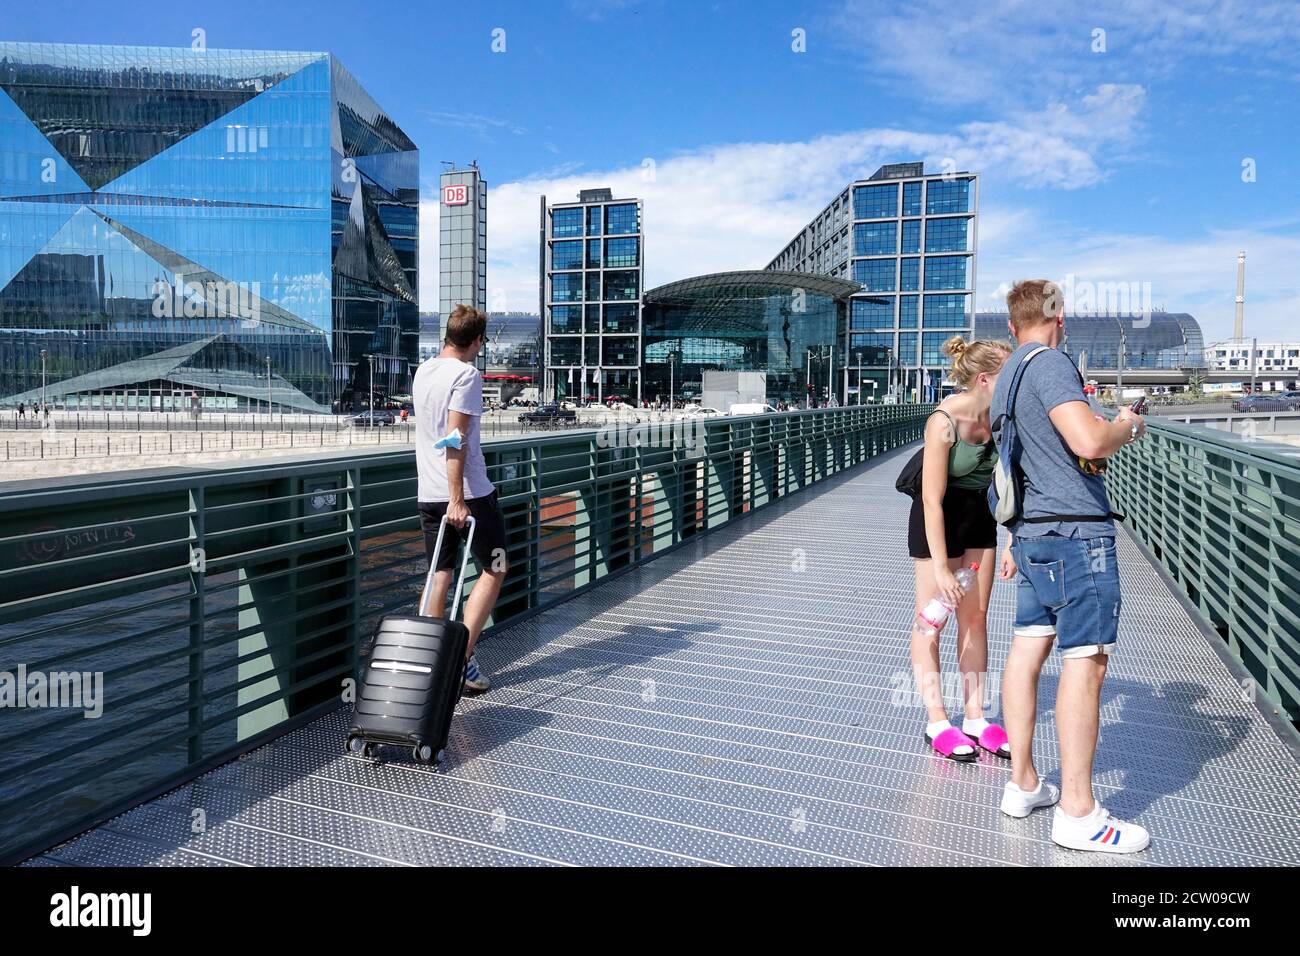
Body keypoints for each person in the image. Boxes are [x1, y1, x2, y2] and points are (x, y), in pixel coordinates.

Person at [992, 279, 1149, 852]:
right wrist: (1127, 425)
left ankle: (1023, 783)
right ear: (1060, 318)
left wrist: (1013, 538)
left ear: (1012, 325)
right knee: (1086, 662)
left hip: (1031, 534)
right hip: (1076, 535)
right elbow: (1089, 442)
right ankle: (1080, 815)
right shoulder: (1053, 364)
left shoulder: (1007, 375)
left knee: (1028, 648)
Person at [909, 336, 1014, 761]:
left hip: (980, 516)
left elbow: (1014, 482)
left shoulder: (1004, 417)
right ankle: (937, 720)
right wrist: (941, 567)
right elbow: (931, 499)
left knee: (975, 617)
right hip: (939, 518)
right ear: (985, 379)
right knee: (930, 622)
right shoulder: (944, 421)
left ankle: (975, 717)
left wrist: (1012, 539)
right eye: (1009, 374)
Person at [412, 304, 509, 693]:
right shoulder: (467, 375)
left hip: (427, 492)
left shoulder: (423, 370)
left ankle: (429, 658)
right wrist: (457, 498)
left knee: (440, 573)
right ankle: (461, 659)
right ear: (477, 341)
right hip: (468, 494)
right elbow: (455, 439)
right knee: (496, 567)